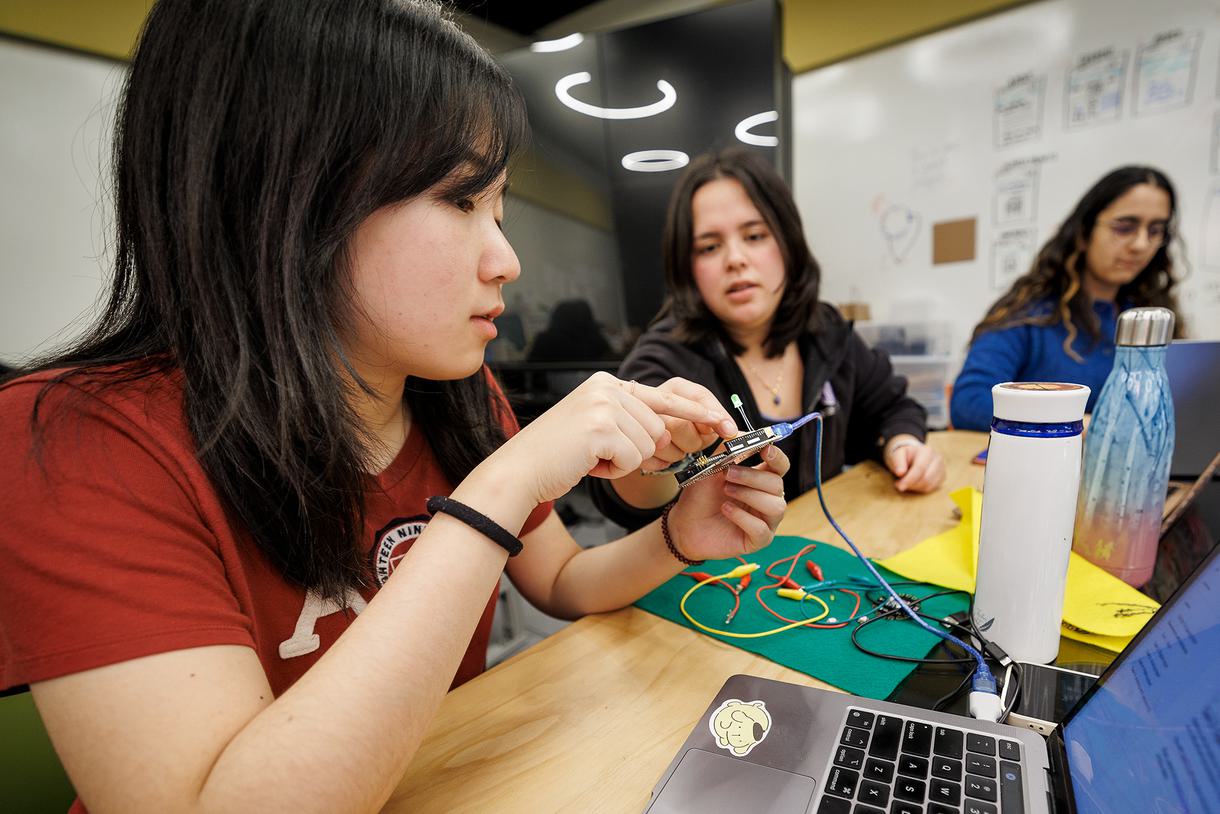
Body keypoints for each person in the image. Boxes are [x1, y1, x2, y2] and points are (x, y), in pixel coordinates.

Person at [0, 3, 789, 812]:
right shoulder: (74, 443)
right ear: (288, 192)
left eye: (501, 208)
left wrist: (677, 536)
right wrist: (501, 485)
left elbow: (562, 578)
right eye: (459, 200)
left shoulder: (454, 393)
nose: (507, 259)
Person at [589, 148, 944, 530]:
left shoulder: (827, 333)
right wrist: (655, 459)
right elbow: (621, 499)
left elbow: (893, 407)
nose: (736, 259)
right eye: (710, 246)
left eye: (755, 235)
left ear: (788, 244)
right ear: (687, 268)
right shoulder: (663, 363)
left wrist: (903, 445)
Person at [951, 166, 1183, 431]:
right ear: (1083, 234)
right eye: (1124, 227)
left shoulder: (1152, 318)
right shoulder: (1029, 313)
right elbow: (968, 404)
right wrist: (1079, 425)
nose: (1141, 244)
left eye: (1155, 231)